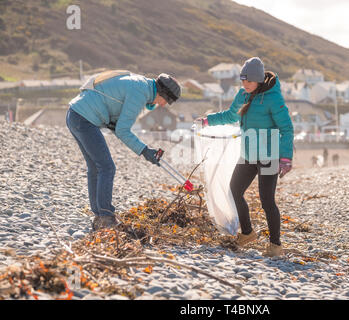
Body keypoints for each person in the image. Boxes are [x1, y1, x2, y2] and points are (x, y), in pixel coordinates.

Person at [197, 57, 294, 257]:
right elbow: (230, 115)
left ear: (258, 80)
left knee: (267, 201)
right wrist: (208, 120)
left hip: (269, 156)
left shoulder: (273, 98)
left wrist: (285, 158)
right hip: (248, 155)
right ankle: (248, 233)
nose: (245, 84)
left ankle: (275, 246)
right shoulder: (242, 95)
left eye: (249, 81)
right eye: (242, 80)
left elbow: (287, 128)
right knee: (234, 190)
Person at [66, 70, 181, 231]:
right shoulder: (140, 92)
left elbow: (116, 124)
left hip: (74, 114)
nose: (162, 105)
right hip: (84, 119)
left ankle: (100, 216)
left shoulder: (141, 84)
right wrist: (144, 150)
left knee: (95, 168)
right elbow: (122, 130)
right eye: (165, 101)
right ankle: (106, 217)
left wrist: (144, 150)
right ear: (161, 93)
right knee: (107, 168)